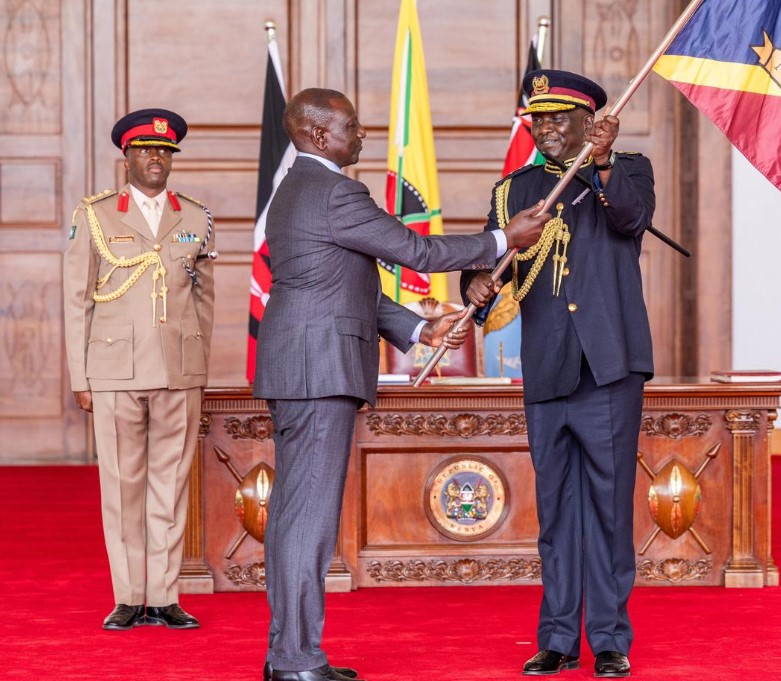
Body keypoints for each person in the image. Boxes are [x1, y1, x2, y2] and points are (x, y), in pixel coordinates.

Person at [252, 87, 549, 681]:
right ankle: (295, 660)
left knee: (294, 514)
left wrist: (417, 327)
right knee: (306, 518)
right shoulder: (335, 190)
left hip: (300, 362)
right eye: (351, 126)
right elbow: (415, 249)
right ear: (317, 135)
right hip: (318, 369)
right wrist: (501, 241)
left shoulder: (295, 190)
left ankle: (289, 652)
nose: (362, 135)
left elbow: (340, 283)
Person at [461, 70, 655, 678]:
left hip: (609, 367)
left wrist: (600, 162)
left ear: (590, 121)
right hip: (546, 369)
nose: (543, 129)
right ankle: (557, 637)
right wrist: (478, 287)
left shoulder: (626, 171)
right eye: (536, 120)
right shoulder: (512, 191)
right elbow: (498, 279)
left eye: (556, 119)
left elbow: (629, 218)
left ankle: (609, 639)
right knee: (557, 510)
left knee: (607, 509)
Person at [63, 108, 216, 631]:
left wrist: (199, 367)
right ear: (125, 157)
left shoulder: (195, 217)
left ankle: (164, 596)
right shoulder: (96, 215)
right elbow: (76, 299)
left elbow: (205, 300)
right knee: (123, 485)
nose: (157, 158)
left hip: (178, 371)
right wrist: (80, 378)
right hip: (114, 370)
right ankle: (128, 596)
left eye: (165, 152)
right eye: (147, 151)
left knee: (170, 485)